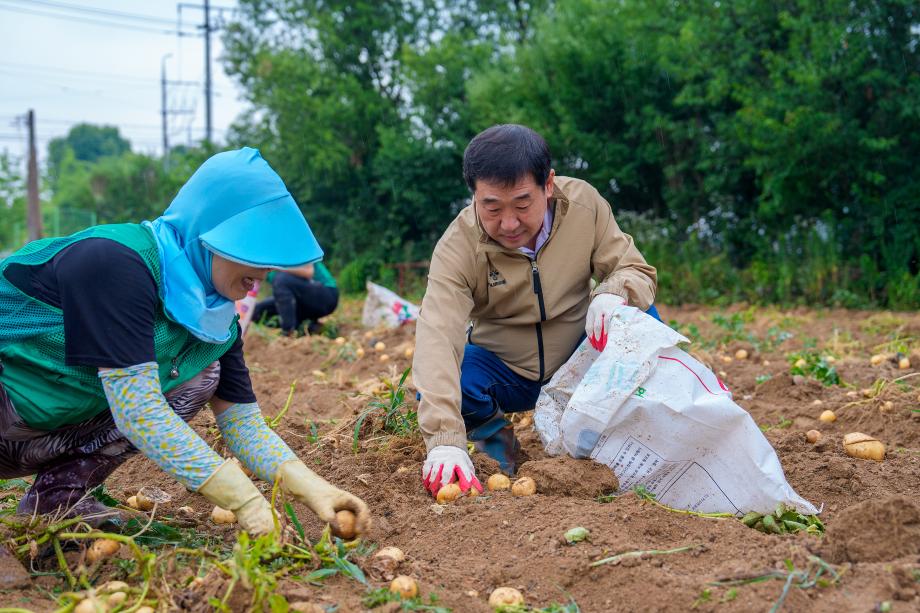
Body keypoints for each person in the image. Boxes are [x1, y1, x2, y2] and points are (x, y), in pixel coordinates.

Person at [0, 148, 370, 541]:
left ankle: (56, 502)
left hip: (33, 428)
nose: (262, 273)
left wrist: (312, 487)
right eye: (251, 253)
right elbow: (138, 409)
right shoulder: (116, 263)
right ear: (207, 237)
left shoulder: (214, 322)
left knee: (202, 377)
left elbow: (242, 424)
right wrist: (241, 498)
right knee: (152, 399)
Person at [413, 125, 659, 497]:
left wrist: (613, 292)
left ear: (548, 185)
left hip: (581, 357)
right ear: (474, 195)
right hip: (507, 367)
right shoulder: (458, 246)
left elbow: (634, 269)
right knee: (454, 382)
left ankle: (642, 444)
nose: (509, 224)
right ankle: (505, 460)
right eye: (491, 207)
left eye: (522, 204)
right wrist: (445, 439)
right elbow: (436, 337)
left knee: (642, 321)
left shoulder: (584, 206)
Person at [251, 262, 339, 336]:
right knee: (255, 311)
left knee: (281, 279)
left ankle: (288, 331)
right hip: (300, 301)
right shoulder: (262, 265)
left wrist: (279, 268)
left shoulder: (293, 245)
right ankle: (307, 327)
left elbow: (309, 271)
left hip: (325, 295)